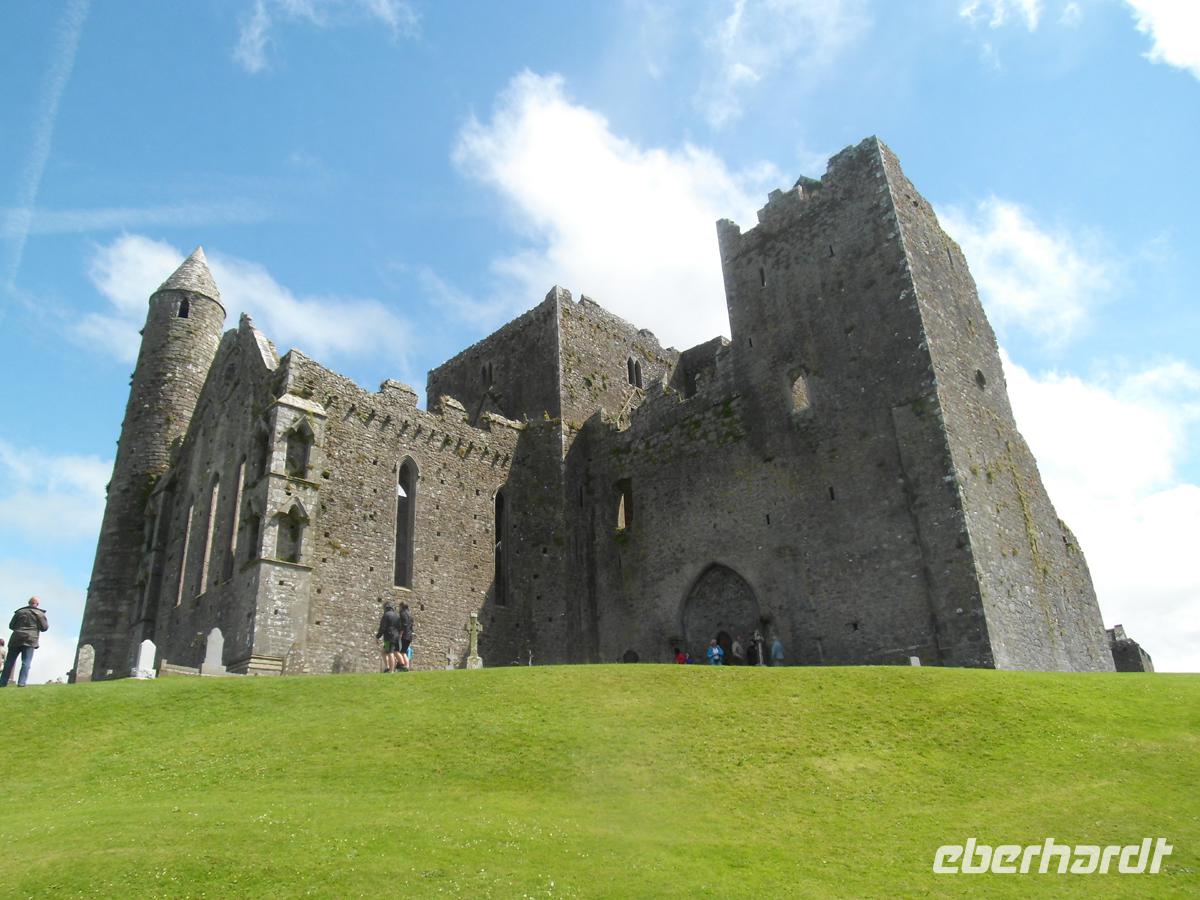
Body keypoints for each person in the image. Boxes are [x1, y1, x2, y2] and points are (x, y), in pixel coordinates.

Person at [1, 597, 49, 688]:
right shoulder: (40, 614)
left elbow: (11, 626)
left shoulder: (19, 612)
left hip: (16, 638)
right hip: (30, 639)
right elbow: (45, 628)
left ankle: (2, 682)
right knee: (26, 662)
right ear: (37, 604)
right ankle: (21, 683)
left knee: (9, 662)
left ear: (29, 602)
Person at [375, 602, 402, 673]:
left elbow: (382, 627)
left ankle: (391, 670)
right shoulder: (397, 616)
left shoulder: (386, 615)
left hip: (389, 637)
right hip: (396, 637)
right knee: (384, 652)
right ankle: (387, 667)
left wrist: (378, 637)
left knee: (390, 652)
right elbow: (400, 627)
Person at [398, 601, 414, 671]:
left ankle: (405, 667)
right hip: (409, 635)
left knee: (402, 652)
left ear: (401, 606)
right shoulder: (410, 614)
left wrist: (400, 634)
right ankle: (407, 667)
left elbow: (404, 625)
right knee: (403, 652)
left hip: (405, 635)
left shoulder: (402, 613)